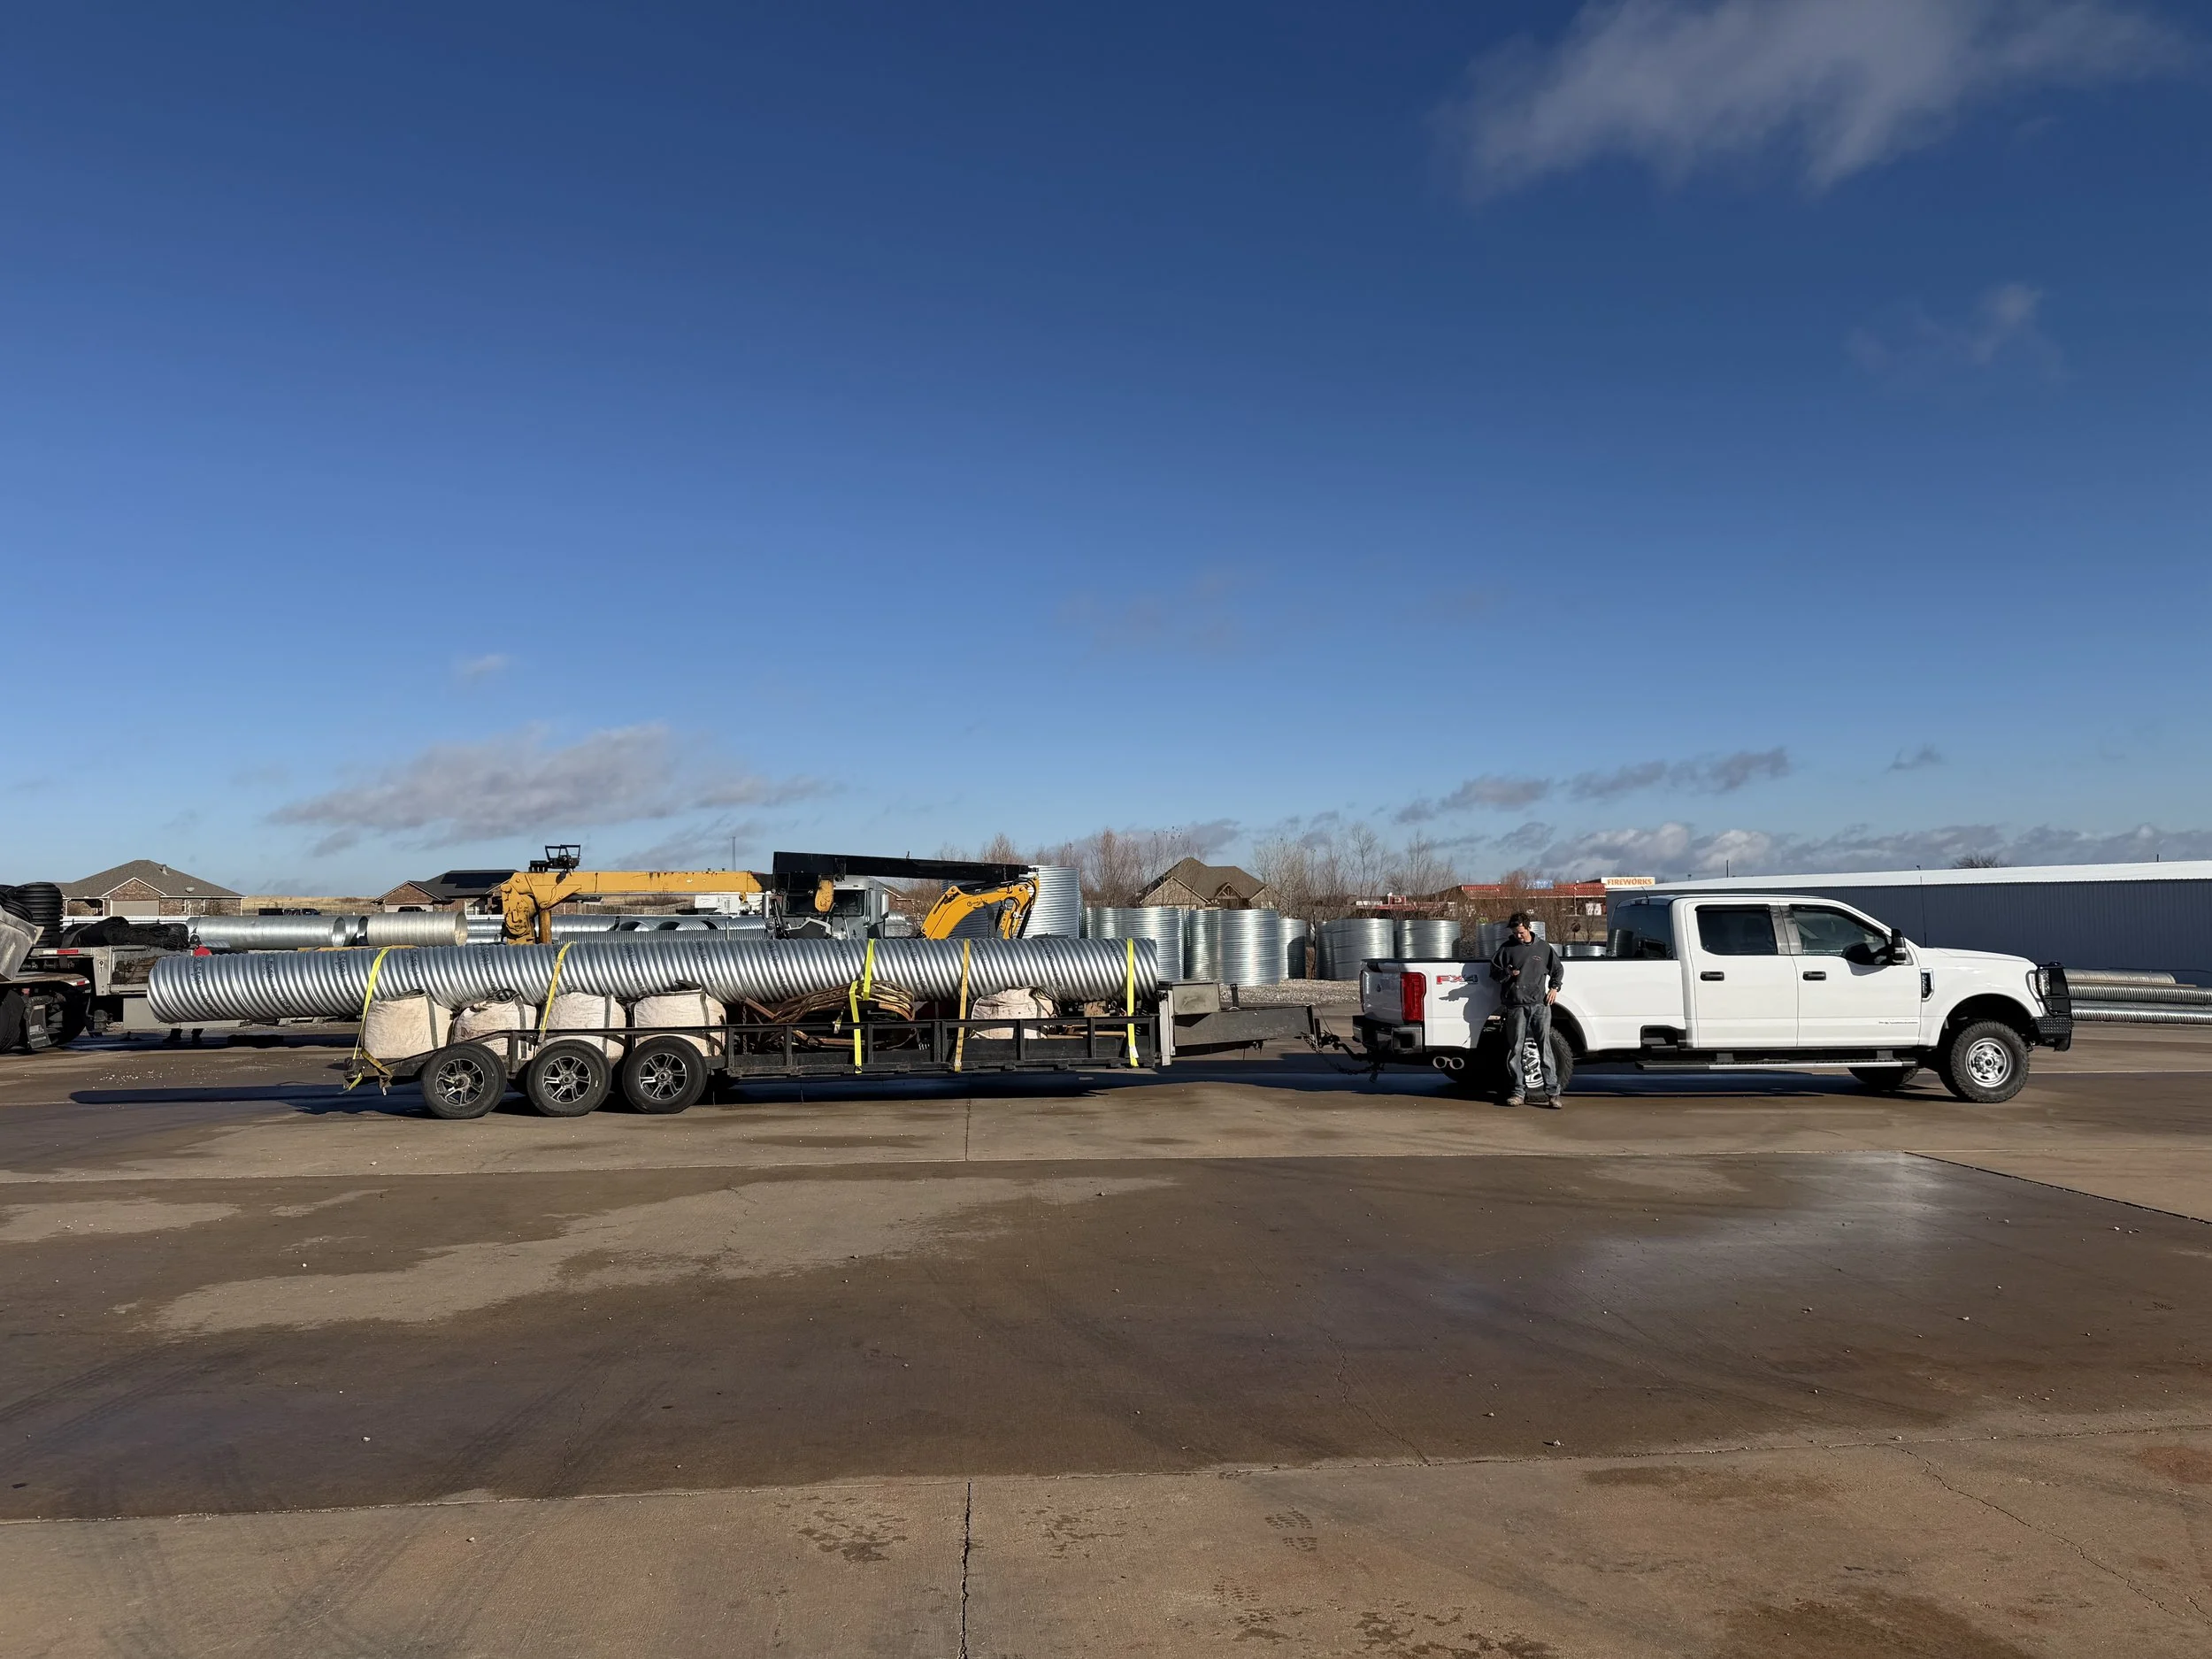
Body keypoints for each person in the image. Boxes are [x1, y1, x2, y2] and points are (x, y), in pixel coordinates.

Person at [1489, 911, 1564, 1107]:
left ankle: (1553, 1093)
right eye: (1515, 933)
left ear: (1529, 928)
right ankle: (1518, 1092)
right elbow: (1494, 973)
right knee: (1516, 1049)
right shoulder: (1506, 949)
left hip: (1540, 1005)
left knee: (1545, 1048)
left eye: (1521, 932)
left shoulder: (1544, 948)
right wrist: (1507, 973)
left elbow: (1558, 969)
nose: (1518, 936)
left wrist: (1554, 988)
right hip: (1516, 1006)